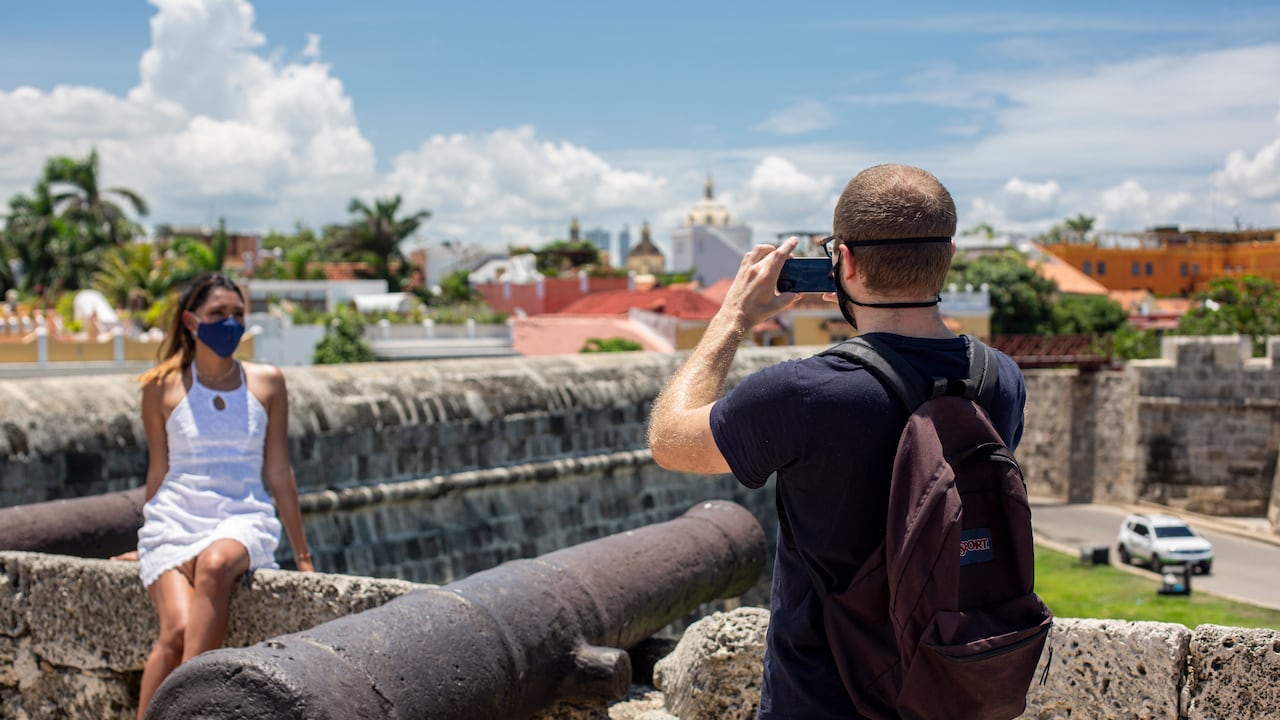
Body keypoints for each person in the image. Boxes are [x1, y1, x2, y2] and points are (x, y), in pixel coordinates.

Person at [647, 164, 1026, 719]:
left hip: (824, 700)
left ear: (842, 262)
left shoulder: (803, 393)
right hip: (950, 684)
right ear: (947, 256)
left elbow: (669, 440)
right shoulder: (1000, 379)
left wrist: (733, 316)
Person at [129, 272, 314, 719]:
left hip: (241, 516)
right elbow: (159, 471)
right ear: (191, 321)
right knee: (175, 632)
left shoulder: (267, 382)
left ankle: (186, 706)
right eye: (218, 313)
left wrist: (303, 555)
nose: (230, 322)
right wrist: (144, 536)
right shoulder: (160, 386)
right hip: (175, 519)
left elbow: (278, 471)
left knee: (215, 565)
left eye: (237, 313)